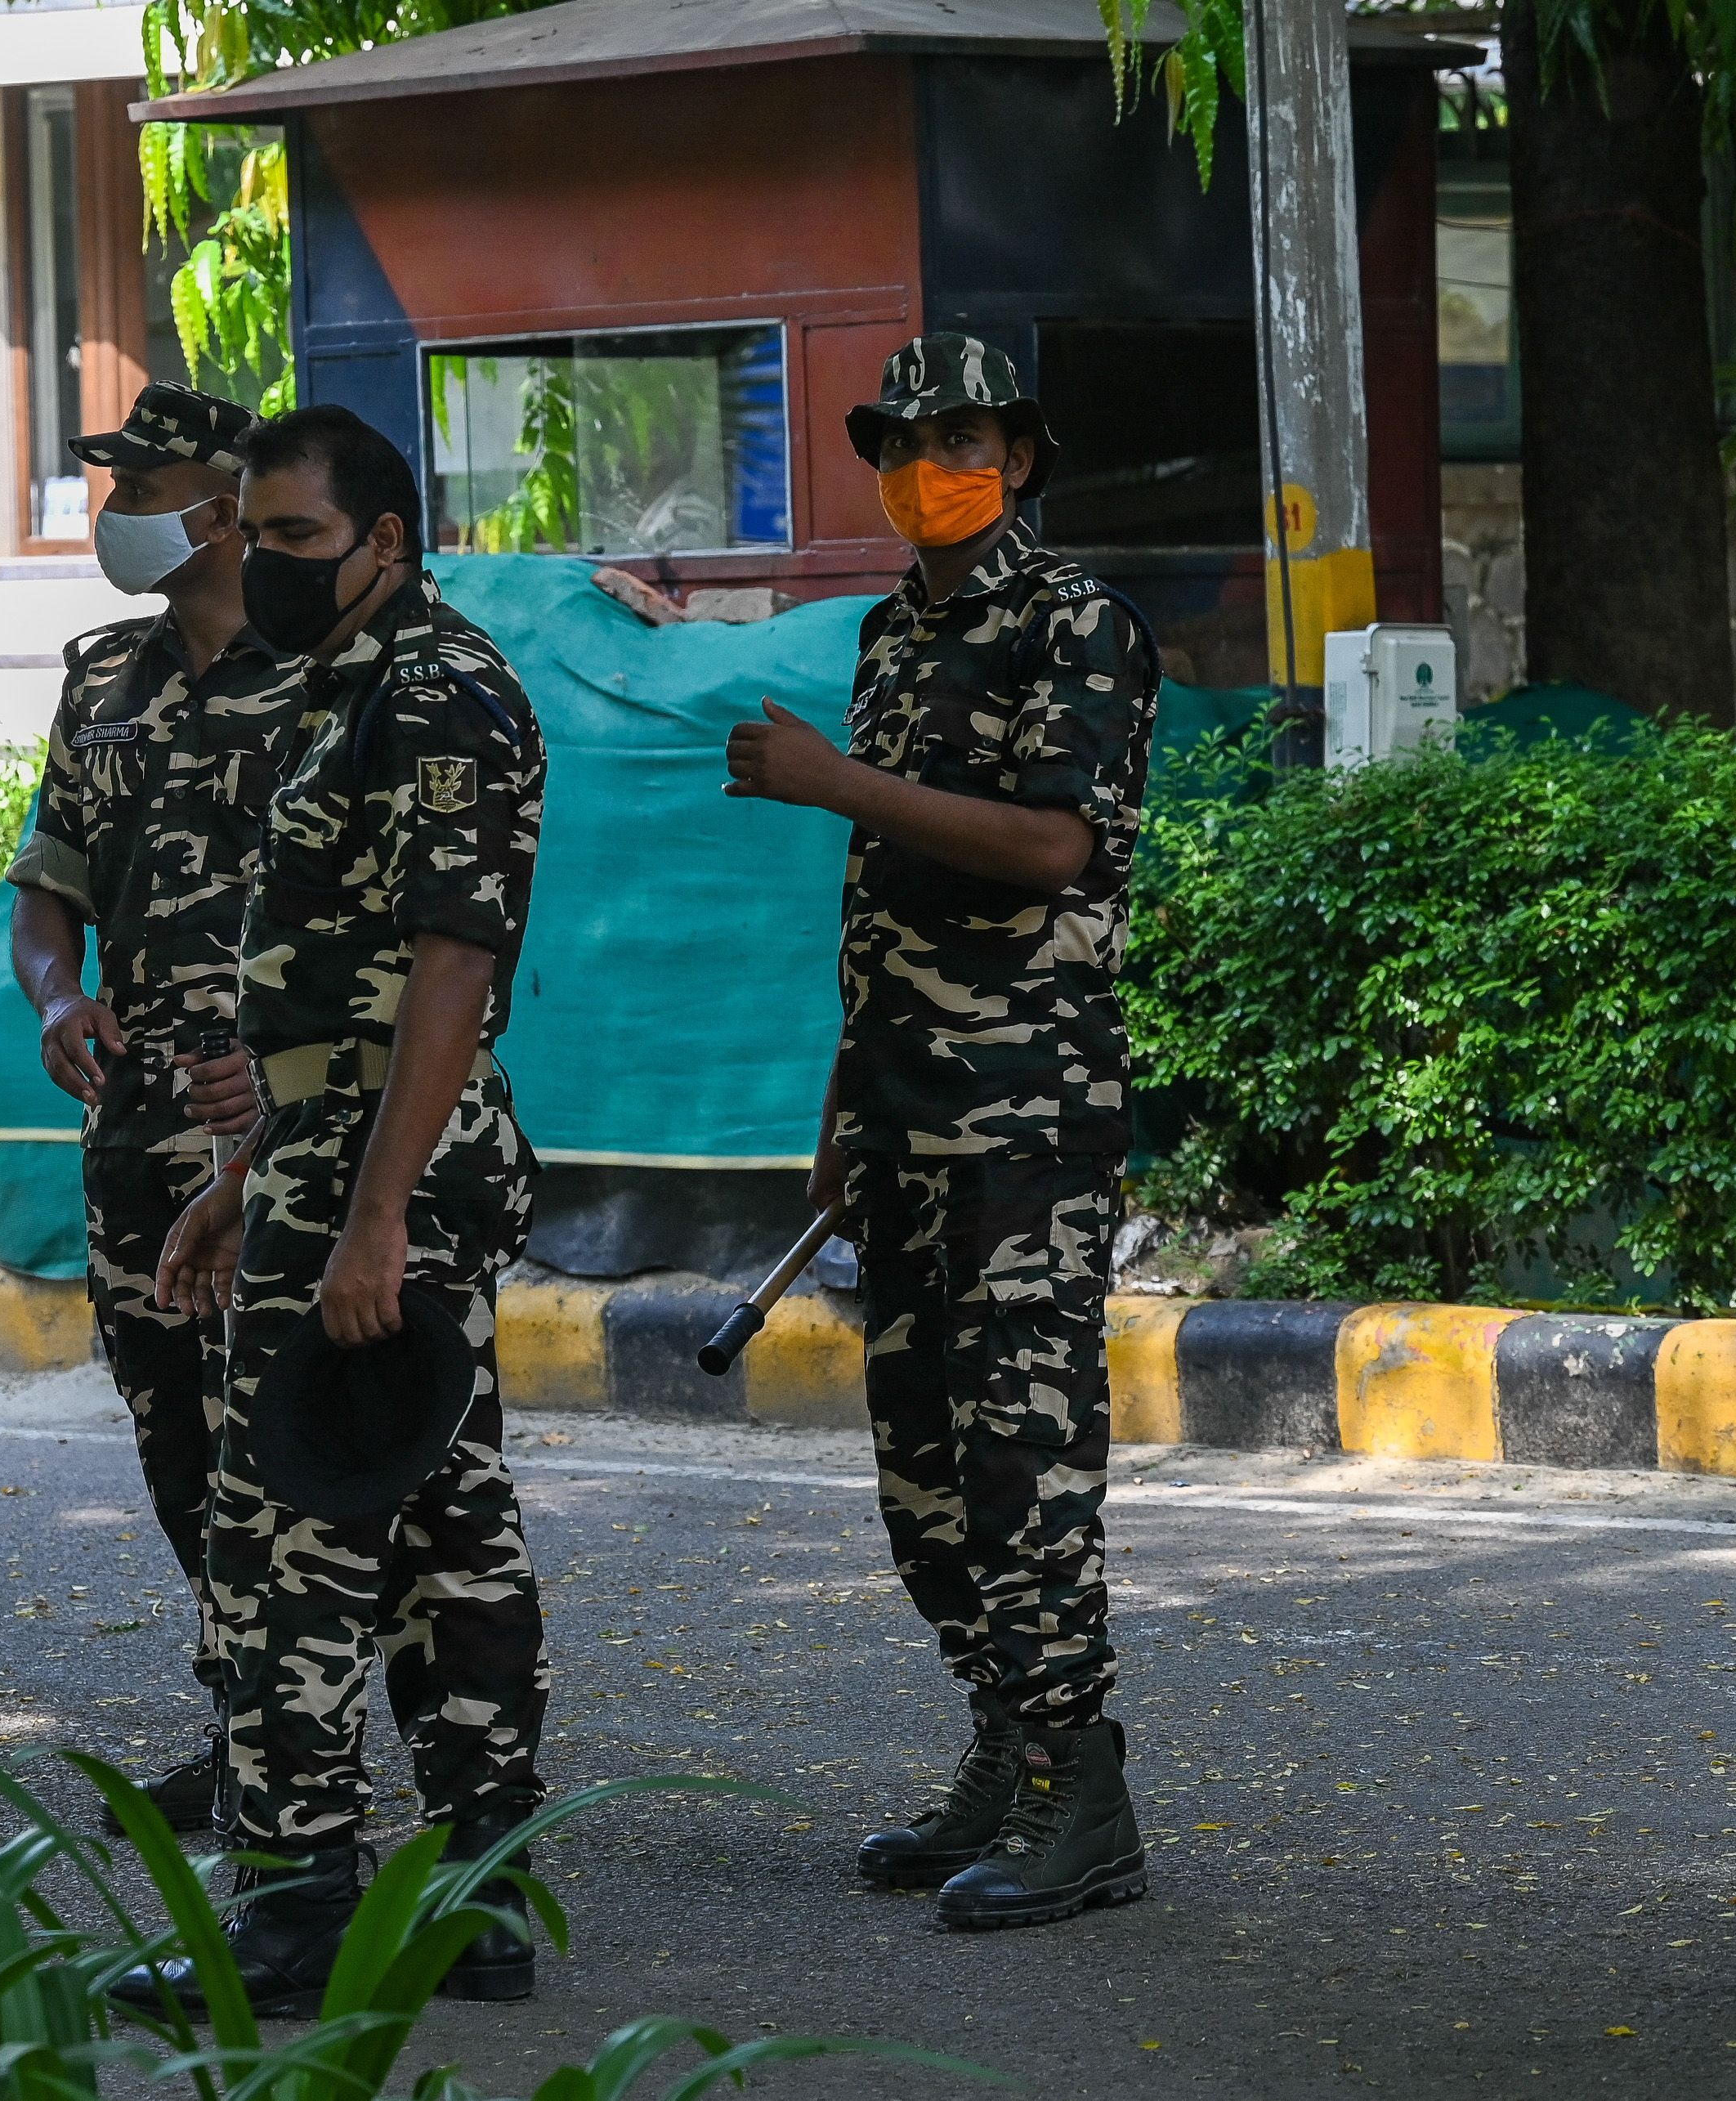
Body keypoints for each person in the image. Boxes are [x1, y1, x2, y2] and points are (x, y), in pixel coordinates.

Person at [723, 333, 1157, 1929]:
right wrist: (844, 1103)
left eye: (956, 433)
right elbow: (884, 903)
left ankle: (1079, 1791)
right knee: (922, 1478)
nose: (924, 462)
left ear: (1020, 455)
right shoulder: (891, 635)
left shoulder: (1079, 624)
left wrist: (837, 781)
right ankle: (1008, 1748)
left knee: (1022, 1469)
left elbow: (1052, 843)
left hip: (1023, 1116)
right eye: (898, 438)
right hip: (904, 1112)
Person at [132, 403, 551, 2014]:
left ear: (385, 542)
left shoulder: (438, 690)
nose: (271, 563)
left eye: (300, 538)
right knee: (445, 1528)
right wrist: (252, 1181)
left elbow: (453, 964)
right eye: (258, 537)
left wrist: (371, 1216)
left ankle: (297, 1912)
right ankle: (482, 1897)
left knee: (282, 1539)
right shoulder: (345, 691)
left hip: (397, 1166)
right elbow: (344, 984)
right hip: (337, 1155)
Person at [9, 382, 317, 1832]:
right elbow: (41, 897)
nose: (112, 513)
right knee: (171, 1437)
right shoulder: (103, 682)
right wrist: (58, 1003)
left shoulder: (322, 670)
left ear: (217, 504)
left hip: (279, 1124)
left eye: (140, 487)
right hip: (133, 1126)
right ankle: (241, 1716)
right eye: (105, 485)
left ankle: (309, 1750)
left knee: (282, 1440)